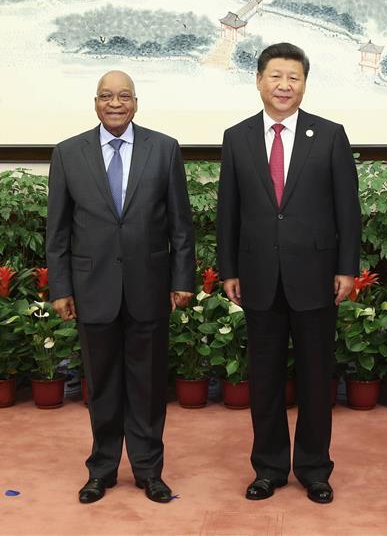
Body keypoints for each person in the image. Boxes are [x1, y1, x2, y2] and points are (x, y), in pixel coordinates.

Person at [216, 42, 361, 505]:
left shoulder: (331, 135)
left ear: (304, 83)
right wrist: (229, 269)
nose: (284, 85)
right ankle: (270, 468)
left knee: (318, 379)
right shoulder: (237, 137)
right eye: (275, 76)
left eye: (293, 77)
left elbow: (348, 211)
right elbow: (228, 212)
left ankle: (315, 469)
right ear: (259, 81)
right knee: (264, 379)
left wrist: (346, 268)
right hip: (258, 275)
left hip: (317, 275)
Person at [46, 70, 195, 505]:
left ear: (136, 102)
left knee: (148, 387)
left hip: (149, 288)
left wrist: (182, 279)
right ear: (95, 103)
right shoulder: (68, 153)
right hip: (92, 290)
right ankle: (102, 470)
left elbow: (180, 226)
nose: (115, 103)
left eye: (124, 96)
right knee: (103, 385)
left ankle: (150, 472)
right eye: (107, 96)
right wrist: (61, 288)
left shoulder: (163, 149)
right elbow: (57, 231)